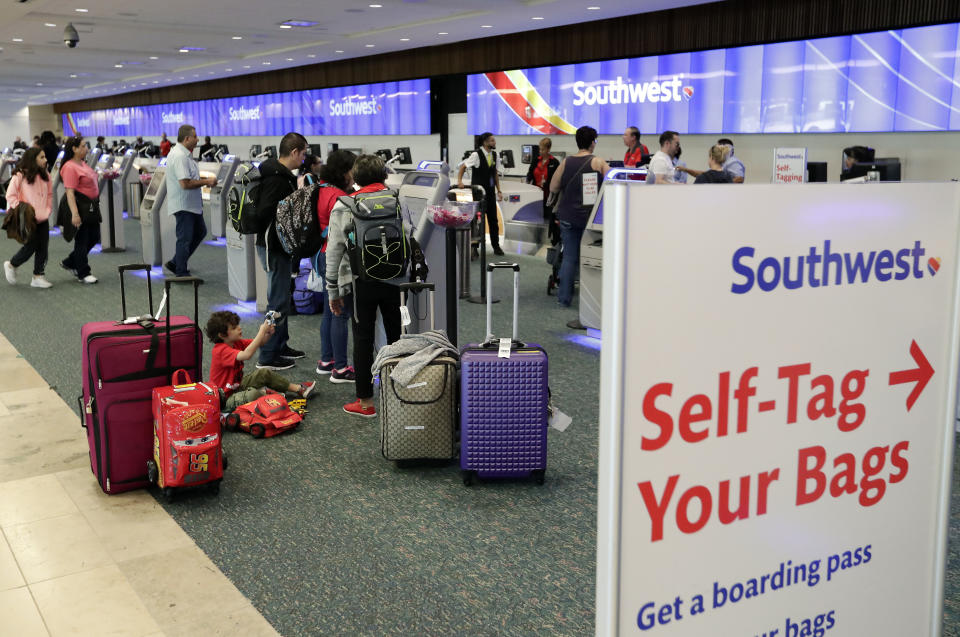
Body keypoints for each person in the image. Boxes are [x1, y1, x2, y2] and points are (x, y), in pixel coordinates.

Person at [325, 154, 402, 417]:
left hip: (361, 283)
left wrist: (332, 290)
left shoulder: (346, 204)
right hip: (395, 279)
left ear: (355, 177)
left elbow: (333, 251)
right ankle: (398, 396)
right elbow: (409, 237)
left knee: (363, 339)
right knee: (396, 337)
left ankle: (366, 403)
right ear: (384, 176)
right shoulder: (396, 199)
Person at [255, 132, 309, 370]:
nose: (305, 158)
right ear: (295, 152)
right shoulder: (277, 179)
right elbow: (266, 212)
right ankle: (267, 354)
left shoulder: (279, 174)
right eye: (304, 153)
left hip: (278, 245)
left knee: (282, 298)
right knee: (276, 302)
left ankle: (280, 344)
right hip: (274, 245)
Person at [548, 126, 610, 327]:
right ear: (592, 142)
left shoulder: (566, 162)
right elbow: (614, 182)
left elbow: (553, 187)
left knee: (570, 258)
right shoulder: (598, 162)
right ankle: (592, 300)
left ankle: (563, 299)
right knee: (593, 259)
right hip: (590, 219)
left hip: (567, 216)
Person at [206, 311, 315, 411]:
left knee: (263, 372)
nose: (239, 328)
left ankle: (298, 389)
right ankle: (267, 396)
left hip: (237, 387)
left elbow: (259, 343)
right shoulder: (220, 350)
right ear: (222, 335)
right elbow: (246, 355)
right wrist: (261, 330)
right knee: (252, 395)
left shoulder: (235, 342)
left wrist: (267, 333)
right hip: (224, 399)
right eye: (234, 328)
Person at [312, 150, 357, 383]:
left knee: (330, 310)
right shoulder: (338, 197)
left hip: (320, 253)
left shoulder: (320, 189)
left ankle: (326, 359)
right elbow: (341, 235)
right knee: (340, 311)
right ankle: (340, 368)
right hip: (335, 257)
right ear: (344, 171)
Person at [164, 124, 216, 278]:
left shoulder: (185, 154)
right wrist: (207, 182)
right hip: (184, 205)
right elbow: (185, 183)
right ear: (187, 139)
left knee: (200, 232)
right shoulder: (180, 156)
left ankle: (175, 262)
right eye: (195, 136)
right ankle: (181, 271)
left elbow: (190, 178)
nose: (198, 139)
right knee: (185, 239)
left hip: (191, 205)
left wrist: (205, 180)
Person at [3, 147, 54, 288]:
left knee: (43, 247)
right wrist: (23, 210)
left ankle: (38, 276)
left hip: (43, 218)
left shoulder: (46, 175)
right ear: (33, 159)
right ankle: (12, 264)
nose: (45, 160)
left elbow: (50, 194)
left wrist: (48, 209)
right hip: (28, 219)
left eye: (45, 157)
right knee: (30, 247)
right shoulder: (20, 175)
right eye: (42, 157)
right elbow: (10, 195)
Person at [59, 136, 100, 284]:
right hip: (80, 207)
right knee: (82, 239)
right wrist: (75, 214)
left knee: (94, 237)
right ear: (74, 149)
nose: (86, 149)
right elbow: (70, 192)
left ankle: (70, 262)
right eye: (82, 146)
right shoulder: (69, 167)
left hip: (91, 207)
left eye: (85, 146)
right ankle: (83, 272)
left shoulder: (82, 163)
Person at [456, 132, 504, 255]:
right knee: (476, 220)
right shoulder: (475, 155)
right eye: (492, 140)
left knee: (493, 220)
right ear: (485, 142)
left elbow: (495, 174)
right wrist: (459, 181)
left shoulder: (495, 155)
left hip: (490, 192)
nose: (494, 143)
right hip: (478, 193)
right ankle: (474, 247)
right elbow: (463, 167)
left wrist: (498, 190)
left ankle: (496, 246)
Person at [525, 137, 560, 243]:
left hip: (549, 196)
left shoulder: (554, 162)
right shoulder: (536, 160)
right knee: (536, 218)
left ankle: (551, 240)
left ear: (548, 149)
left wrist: (547, 184)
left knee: (549, 218)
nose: (541, 151)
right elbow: (530, 173)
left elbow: (556, 179)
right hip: (536, 195)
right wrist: (527, 182)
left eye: (543, 149)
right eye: (540, 149)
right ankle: (537, 239)